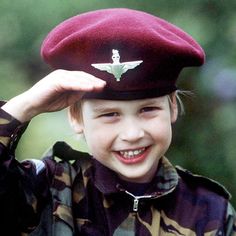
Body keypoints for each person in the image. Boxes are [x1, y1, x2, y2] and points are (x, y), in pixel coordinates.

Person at [0, 8, 235, 236]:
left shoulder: (210, 210)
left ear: (172, 106)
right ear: (76, 117)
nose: (132, 133)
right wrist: (23, 106)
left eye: (148, 109)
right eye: (109, 114)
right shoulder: (47, 190)